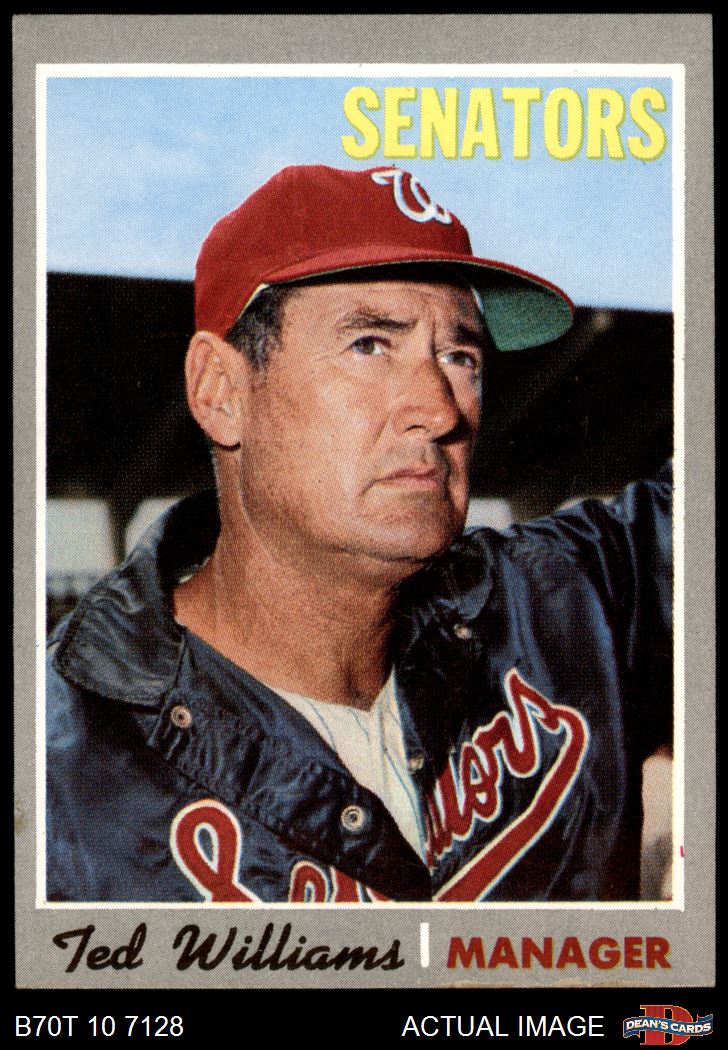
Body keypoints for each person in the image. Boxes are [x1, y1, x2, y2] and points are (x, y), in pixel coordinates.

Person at [46, 165, 672, 903]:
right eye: (370, 345)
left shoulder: (574, 601)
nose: (440, 409)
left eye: (460, 357)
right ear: (221, 391)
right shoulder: (58, 768)